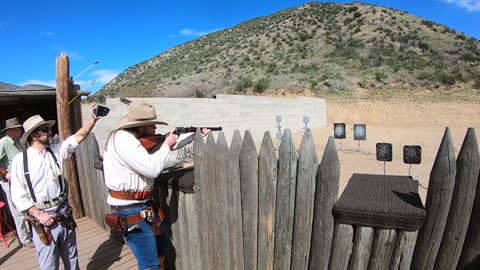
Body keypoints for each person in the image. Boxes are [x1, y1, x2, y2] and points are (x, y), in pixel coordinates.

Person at [102, 101, 208, 269]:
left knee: (159, 254)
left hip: (141, 206)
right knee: (149, 265)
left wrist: (194, 135)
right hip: (131, 209)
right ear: (140, 126)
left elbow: (165, 145)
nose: (155, 129)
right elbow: (152, 168)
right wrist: (167, 144)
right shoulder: (124, 141)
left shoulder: (133, 139)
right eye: (152, 125)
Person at [9, 103, 102, 270]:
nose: (49, 132)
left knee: (72, 261)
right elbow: (18, 194)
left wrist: (93, 120)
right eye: (45, 130)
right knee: (49, 265)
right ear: (34, 135)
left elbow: (77, 138)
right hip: (42, 220)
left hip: (64, 215)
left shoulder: (55, 151)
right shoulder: (20, 161)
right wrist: (38, 214)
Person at [0, 117, 34, 248]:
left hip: (21, 181)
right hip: (10, 182)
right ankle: (25, 239)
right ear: (11, 130)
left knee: (26, 207)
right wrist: (5, 173)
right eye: (18, 128)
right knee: (17, 210)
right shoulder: (4, 142)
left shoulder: (18, 142)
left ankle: (30, 234)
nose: (20, 130)